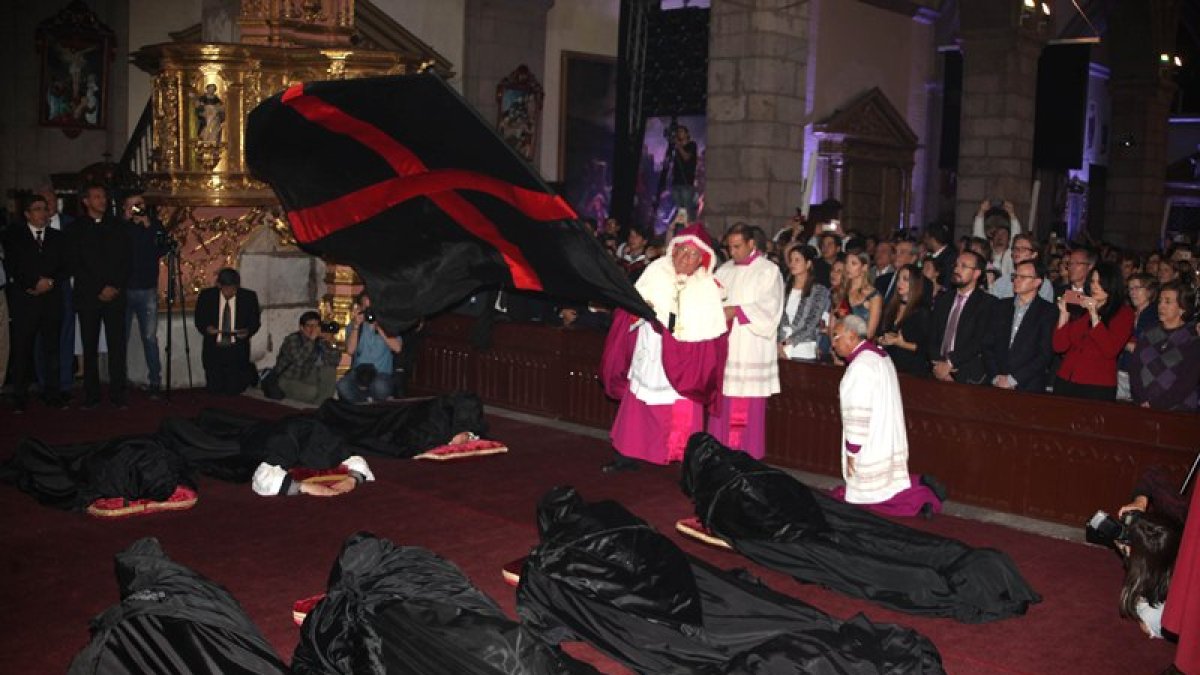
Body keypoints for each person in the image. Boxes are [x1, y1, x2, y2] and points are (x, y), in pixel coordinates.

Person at [600, 223, 727, 471]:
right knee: (639, 403)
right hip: (651, 350)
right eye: (681, 251)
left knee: (680, 409)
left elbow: (711, 338)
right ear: (673, 250)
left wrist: (677, 339)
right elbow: (630, 309)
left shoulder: (708, 288)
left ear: (702, 260)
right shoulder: (655, 272)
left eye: (692, 254)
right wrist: (638, 315)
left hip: (685, 359)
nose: (684, 258)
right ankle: (629, 454)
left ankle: (683, 459)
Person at [829, 315, 943, 517]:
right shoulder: (879, 355)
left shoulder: (860, 367)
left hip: (871, 440)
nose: (833, 343)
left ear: (852, 336)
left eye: (837, 337)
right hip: (886, 434)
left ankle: (922, 498)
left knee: (867, 499)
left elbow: (857, 412)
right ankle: (919, 484)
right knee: (886, 486)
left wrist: (852, 451)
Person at [708, 224, 785, 459]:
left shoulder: (768, 271)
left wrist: (737, 311)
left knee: (742, 409)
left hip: (751, 349)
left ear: (752, 244)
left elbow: (770, 308)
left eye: (737, 246)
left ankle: (742, 460)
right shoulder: (724, 271)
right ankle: (717, 456)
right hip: (727, 348)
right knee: (722, 405)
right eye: (730, 247)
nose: (732, 252)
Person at [4, 195, 68, 412]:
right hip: (27, 300)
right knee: (22, 349)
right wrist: (32, 283)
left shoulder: (58, 237)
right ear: (27, 214)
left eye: (45, 208)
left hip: (51, 300)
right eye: (37, 209)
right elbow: (13, 266)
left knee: (52, 349)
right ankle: (20, 396)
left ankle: (52, 394)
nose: (43, 213)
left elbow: (65, 266)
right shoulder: (15, 237)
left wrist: (49, 282)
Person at [74, 183, 132, 409]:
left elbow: (126, 260)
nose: (102, 200)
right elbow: (77, 263)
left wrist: (114, 285)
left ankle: (118, 393)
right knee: (89, 347)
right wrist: (100, 287)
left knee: (117, 346)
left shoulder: (118, 226)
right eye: (97, 197)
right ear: (86, 201)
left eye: (104, 197)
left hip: (115, 295)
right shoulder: (76, 229)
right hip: (89, 296)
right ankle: (92, 394)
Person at [1052, 262, 1134, 401]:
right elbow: (1059, 346)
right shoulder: (1080, 306)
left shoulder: (1124, 314)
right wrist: (1063, 315)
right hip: (1066, 379)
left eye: (1100, 282)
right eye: (1092, 281)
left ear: (1111, 284)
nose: (1094, 286)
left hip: (1097, 385)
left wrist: (1094, 315)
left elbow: (1110, 350)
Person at [122, 192, 169, 398]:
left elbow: (163, 248)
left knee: (149, 338)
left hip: (147, 289)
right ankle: (119, 379)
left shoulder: (155, 225)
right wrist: (126, 220)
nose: (137, 209)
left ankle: (155, 382)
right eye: (132, 206)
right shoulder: (120, 227)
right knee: (119, 338)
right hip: (123, 290)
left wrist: (149, 225)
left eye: (139, 204)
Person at [985, 260, 1056, 393]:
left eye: (1022, 277)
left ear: (1037, 282)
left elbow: (1044, 354)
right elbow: (988, 344)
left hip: (1028, 385)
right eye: (1015, 276)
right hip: (996, 382)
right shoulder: (1001, 306)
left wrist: (1013, 379)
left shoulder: (1048, 311)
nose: (1016, 280)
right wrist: (995, 376)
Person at [1130, 281, 1200, 411]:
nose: (1161, 306)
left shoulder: (1192, 339)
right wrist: (1142, 399)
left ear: (1182, 308)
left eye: (1167, 302)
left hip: (1178, 409)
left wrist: (1156, 404)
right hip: (1143, 405)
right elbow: (1135, 368)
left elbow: (1187, 382)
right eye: (1160, 301)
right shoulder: (1149, 333)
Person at [34, 185, 77, 396]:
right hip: (39, 289)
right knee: (42, 338)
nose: (48, 206)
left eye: (51, 201)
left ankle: (66, 382)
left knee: (66, 337)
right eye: (43, 202)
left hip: (64, 287)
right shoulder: (29, 227)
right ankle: (45, 383)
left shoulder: (71, 225)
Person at [928, 250, 996, 384]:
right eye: (956, 265)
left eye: (963, 266)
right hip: (937, 370)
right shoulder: (943, 299)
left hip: (966, 375)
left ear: (976, 273)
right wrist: (938, 364)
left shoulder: (987, 303)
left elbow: (979, 341)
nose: (957, 269)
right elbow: (932, 335)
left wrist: (949, 363)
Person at [194, 267, 261, 395]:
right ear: (219, 285)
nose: (230, 292)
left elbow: (255, 322)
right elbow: (199, 319)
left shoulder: (248, 297)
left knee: (233, 391)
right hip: (215, 349)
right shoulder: (207, 296)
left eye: (233, 289)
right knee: (215, 390)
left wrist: (247, 331)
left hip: (236, 349)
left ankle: (246, 375)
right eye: (226, 288)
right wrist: (207, 328)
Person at [335, 291, 402, 404]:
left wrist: (380, 327)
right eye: (366, 308)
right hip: (359, 373)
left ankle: (368, 401)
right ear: (360, 308)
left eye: (372, 308)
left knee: (380, 387)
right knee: (342, 386)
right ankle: (365, 402)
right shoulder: (354, 326)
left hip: (381, 373)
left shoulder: (389, 325)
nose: (370, 312)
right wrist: (356, 326)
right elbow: (350, 350)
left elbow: (397, 348)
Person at [271, 311, 341, 404]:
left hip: (306, 375)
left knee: (329, 371)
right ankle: (315, 408)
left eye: (316, 326)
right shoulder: (292, 339)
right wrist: (311, 340)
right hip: (287, 379)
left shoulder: (319, 340)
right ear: (301, 327)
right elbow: (299, 360)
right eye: (309, 326)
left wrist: (330, 342)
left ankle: (322, 407)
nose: (313, 329)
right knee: (312, 392)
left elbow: (334, 361)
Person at [776, 244, 830, 361]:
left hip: (804, 349)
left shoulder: (818, 291)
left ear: (808, 264)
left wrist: (787, 342)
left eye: (797, 260)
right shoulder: (784, 289)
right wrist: (779, 343)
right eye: (791, 260)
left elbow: (811, 322)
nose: (792, 264)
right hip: (780, 348)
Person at [877, 264, 931, 377]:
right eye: (898, 279)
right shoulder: (891, 306)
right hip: (889, 366)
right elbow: (879, 334)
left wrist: (902, 343)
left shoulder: (922, 311)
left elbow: (926, 348)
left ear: (915, 283)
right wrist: (882, 339)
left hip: (911, 370)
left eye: (905, 279)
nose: (899, 283)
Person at [1120, 273, 1160, 400]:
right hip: (1123, 371)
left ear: (1149, 291)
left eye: (1137, 288)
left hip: (1142, 374)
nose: (1132, 292)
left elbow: (1145, 348)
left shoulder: (1155, 315)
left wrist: (1120, 342)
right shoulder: (1129, 313)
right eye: (1130, 289)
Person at [843, 250, 882, 339]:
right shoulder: (842, 291)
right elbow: (833, 322)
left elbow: (870, 333)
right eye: (846, 263)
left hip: (861, 346)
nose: (848, 267)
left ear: (864, 267)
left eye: (853, 263)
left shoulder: (873, 296)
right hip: (840, 343)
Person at [669, 126, 698, 221]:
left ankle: (689, 229)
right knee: (679, 211)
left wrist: (679, 146)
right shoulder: (675, 148)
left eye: (681, 131)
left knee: (687, 210)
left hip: (686, 183)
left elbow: (686, 158)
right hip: (676, 182)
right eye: (678, 132)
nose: (678, 133)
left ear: (687, 134)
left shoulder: (692, 145)